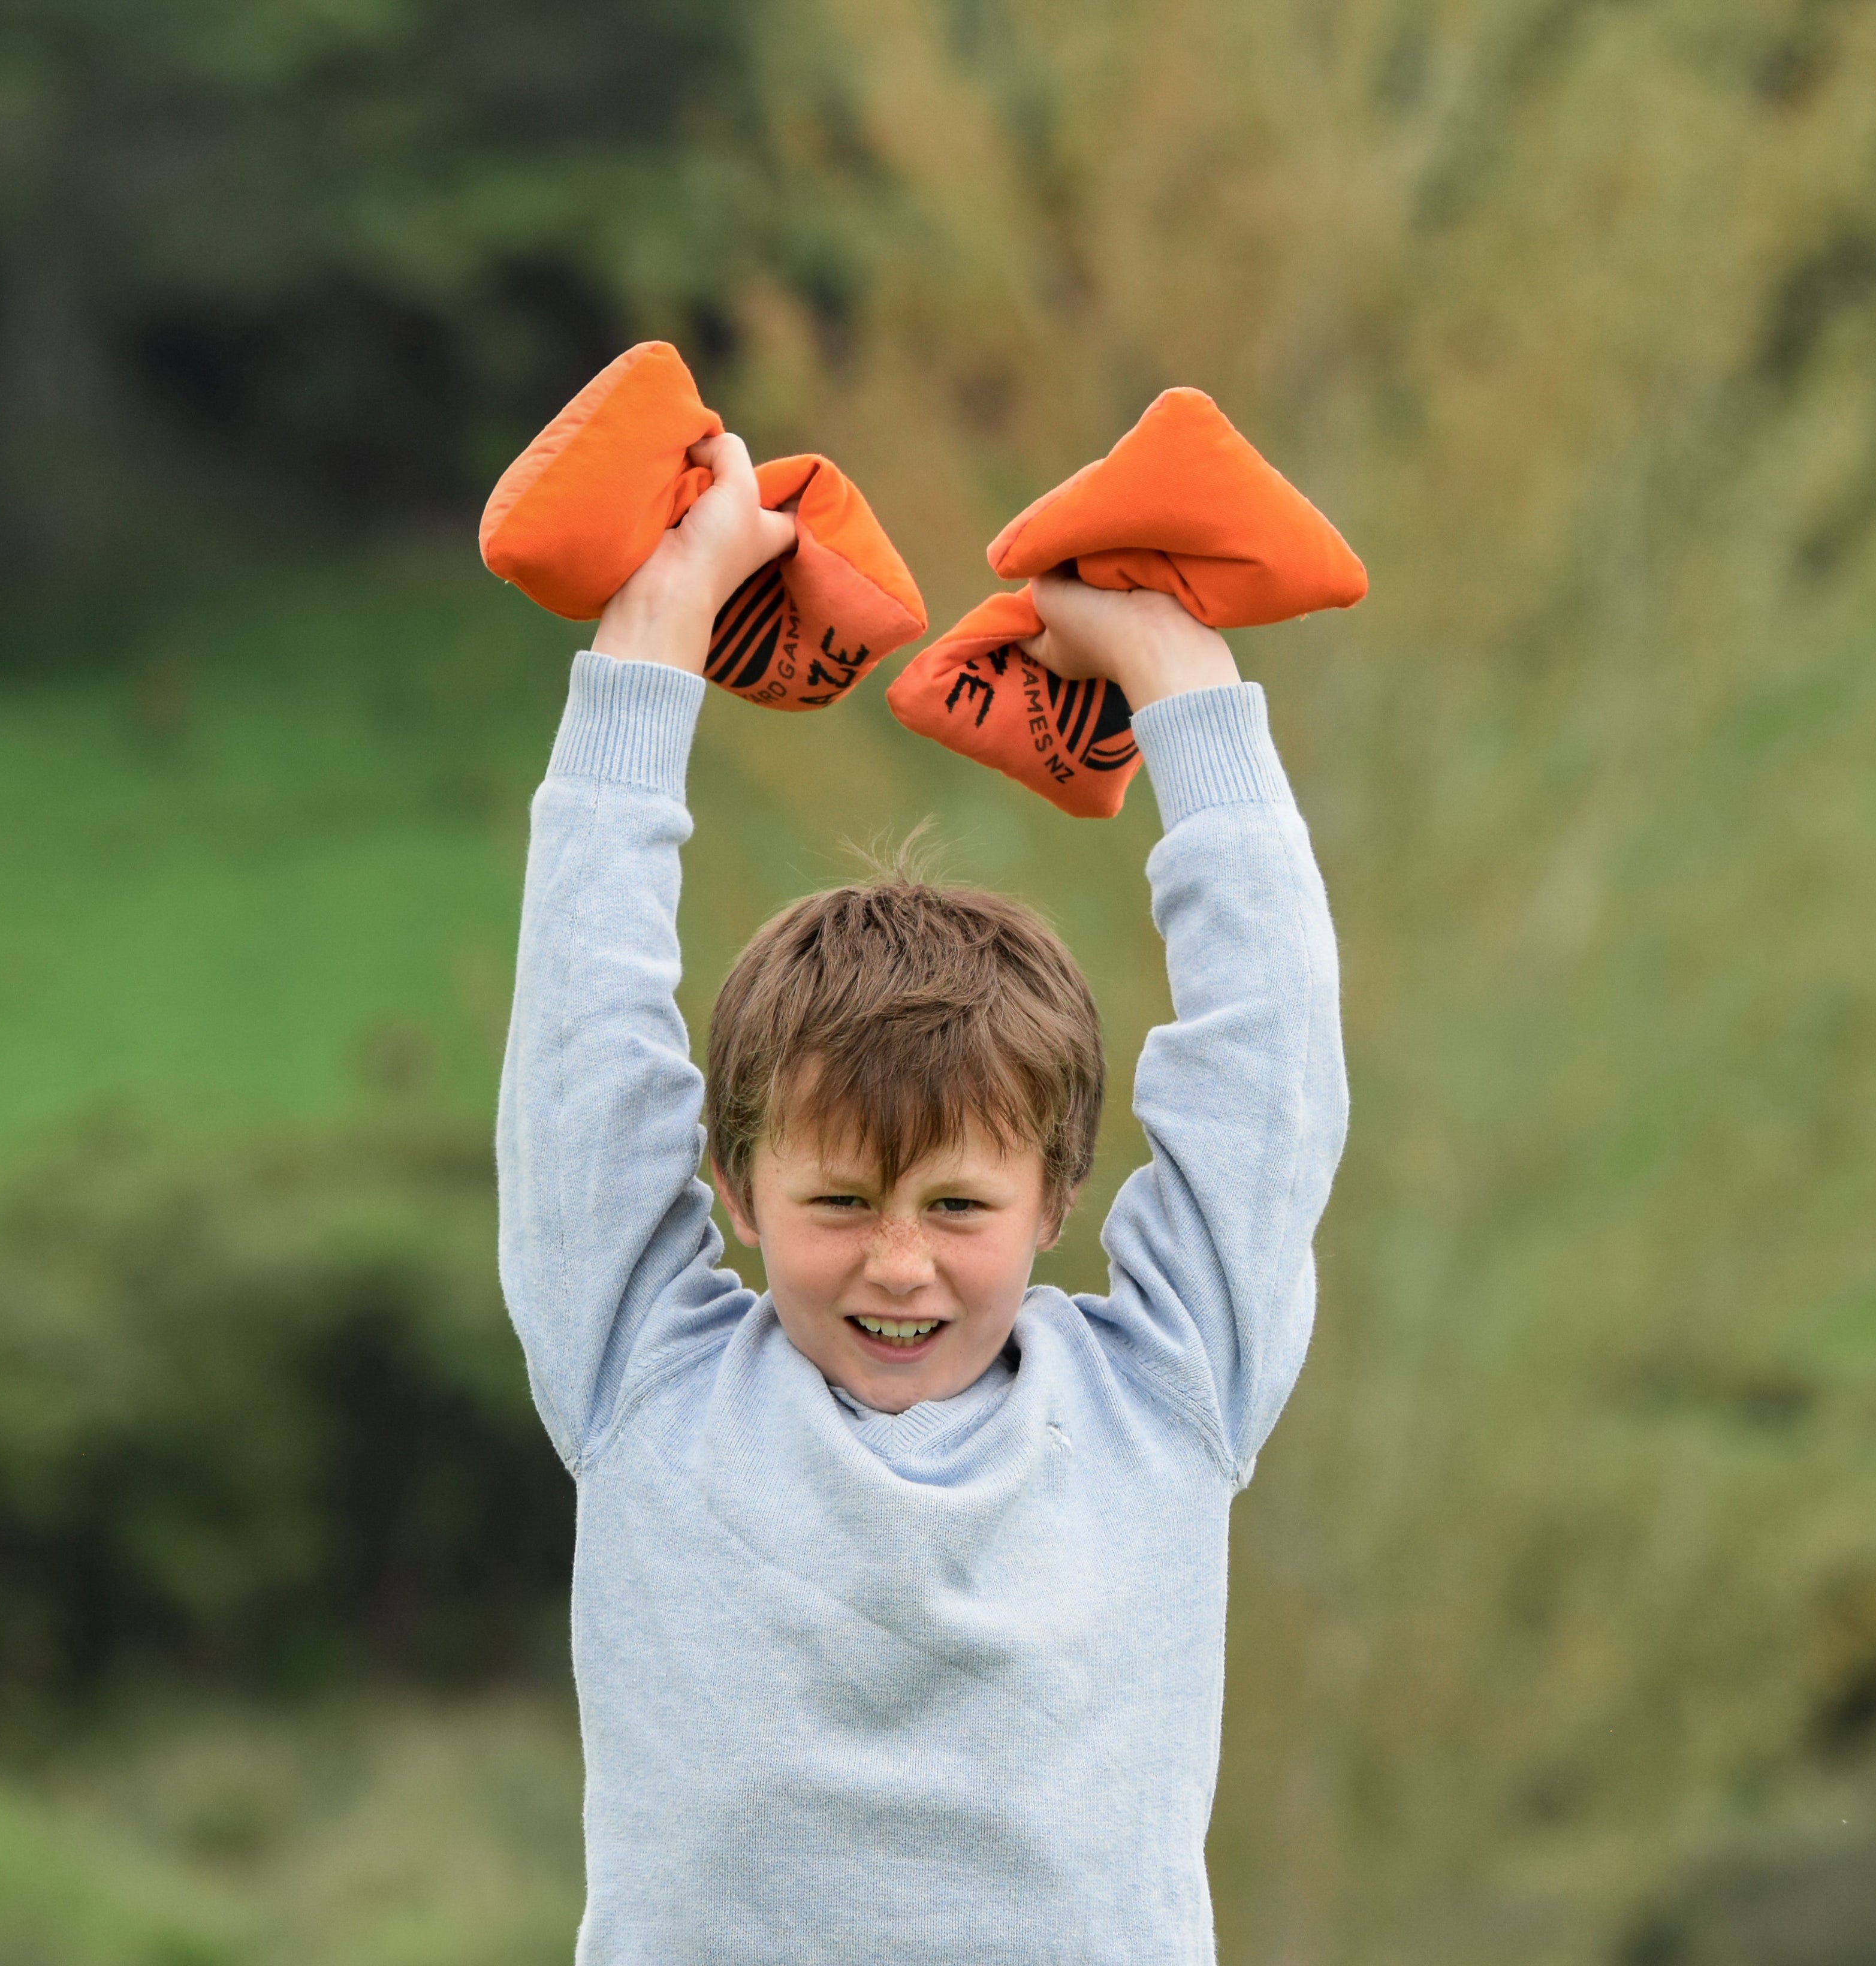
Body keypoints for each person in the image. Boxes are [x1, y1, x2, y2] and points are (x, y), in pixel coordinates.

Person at [497, 427, 1347, 1961]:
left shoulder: (1166, 1392)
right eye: (839, 1203)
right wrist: (660, 621)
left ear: (1056, 1194)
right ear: (733, 1184)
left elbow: (1267, 1074)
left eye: (957, 1208)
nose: (898, 1264)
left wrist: (1176, 671)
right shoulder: (640, 1374)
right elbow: (582, 1040)